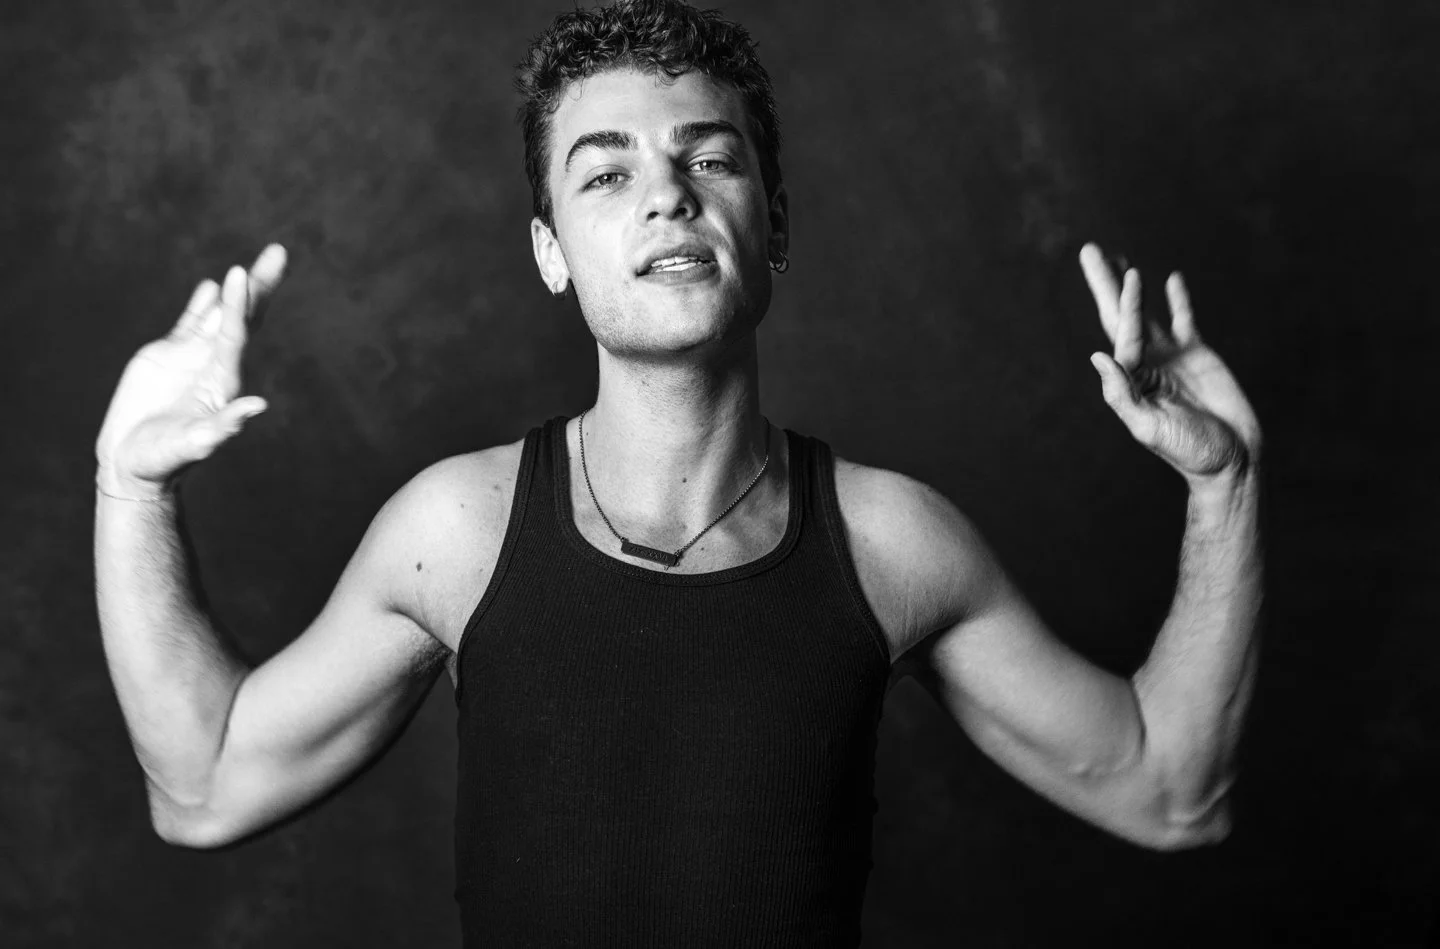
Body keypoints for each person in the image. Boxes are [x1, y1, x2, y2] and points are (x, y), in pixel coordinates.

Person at [92, 1, 1263, 945]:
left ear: (777, 226)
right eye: (605, 175)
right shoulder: (456, 529)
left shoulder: (891, 541)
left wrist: (1228, 488)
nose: (668, 192)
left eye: (711, 156)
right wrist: (129, 489)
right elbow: (204, 792)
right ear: (550, 251)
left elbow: (1170, 793)